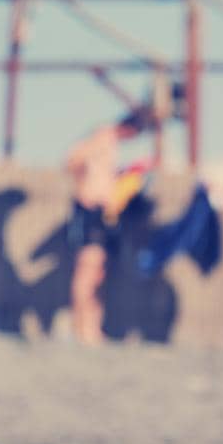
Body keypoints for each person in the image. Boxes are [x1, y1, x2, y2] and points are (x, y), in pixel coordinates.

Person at [63, 111, 147, 344]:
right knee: (87, 271)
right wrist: (85, 190)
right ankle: (81, 328)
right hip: (91, 211)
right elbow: (72, 159)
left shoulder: (110, 142)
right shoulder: (103, 136)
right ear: (130, 129)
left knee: (98, 272)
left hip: (102, 213)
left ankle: (91, 327)